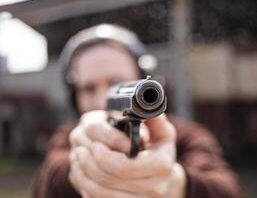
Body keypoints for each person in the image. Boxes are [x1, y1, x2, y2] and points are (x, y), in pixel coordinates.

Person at [34, 24, 242, 198]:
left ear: (141, 78)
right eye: (88, 88)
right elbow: (45, 183)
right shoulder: (68, 137)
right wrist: (77, 171)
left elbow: (227, 189)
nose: (102, 99)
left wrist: (176, 183)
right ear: (74, 95)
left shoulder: (185, 135)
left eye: (117, 83)